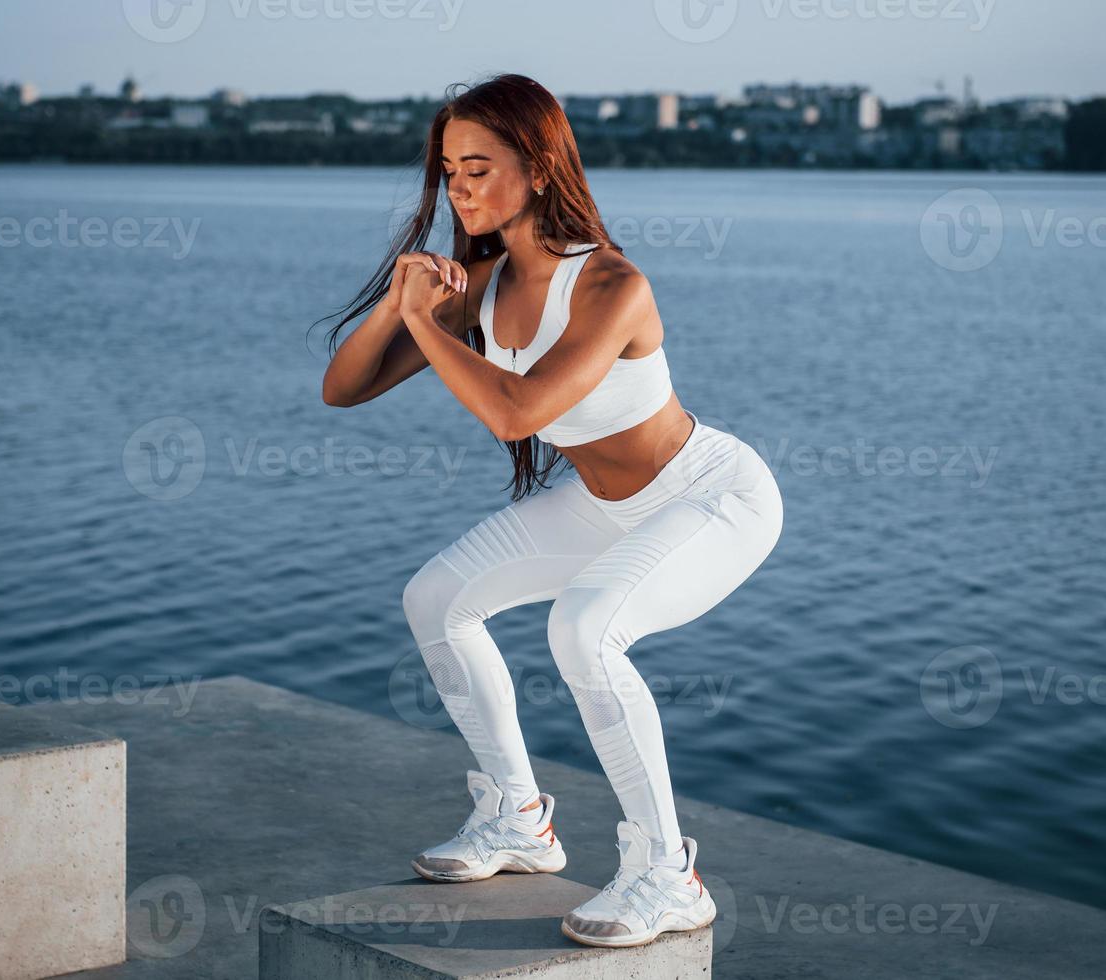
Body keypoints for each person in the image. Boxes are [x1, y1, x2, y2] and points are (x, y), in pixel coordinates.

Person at [319, 72, 783, 949]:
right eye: (449, 170)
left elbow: (517, 412)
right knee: (436, 599)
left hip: (711, 496)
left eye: (479, 167)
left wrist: (427, 323)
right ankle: (519, 821)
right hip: (600, 505)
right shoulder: (478, 284)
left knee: (585, 627)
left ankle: (665, 874)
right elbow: (342, 390)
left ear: (537, 167)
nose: (458, 188)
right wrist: (399, 305)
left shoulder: (612, 286)